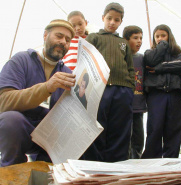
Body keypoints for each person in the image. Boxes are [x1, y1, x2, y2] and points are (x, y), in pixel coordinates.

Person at [0, 19, 76, 167]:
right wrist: (47, 87)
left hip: (50, 134)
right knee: (10, 119)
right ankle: (11, 172)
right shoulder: (20, 60)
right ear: (45, 35)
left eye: (68, 40)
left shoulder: (68, 74)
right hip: (21, 128)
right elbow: (4, 101)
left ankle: (49, 172)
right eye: (59, 36)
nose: (63, 42)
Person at [86, 2, 135, 162]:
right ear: (103, 18)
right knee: (97, 125)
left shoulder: (124, 43)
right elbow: (86, 61)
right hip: (100, 88)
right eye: (109, 18)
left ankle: (117, 164)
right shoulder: (94, 37)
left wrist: (130, 87)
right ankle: (95, 163)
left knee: (120, 128)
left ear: (121, 22)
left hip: (123, 90)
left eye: (116, 20)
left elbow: (130, 67)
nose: (112, 22)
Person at [141, 24, 181, 159]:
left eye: (163, 36)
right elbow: (152, 60)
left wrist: (160, 68)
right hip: (156, 94)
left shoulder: (178, 53)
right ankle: (151, 159)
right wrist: (162, 46)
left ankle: (171, 158)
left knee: (175, 128)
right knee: (155, 127)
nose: (160, 38)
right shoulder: (149, 53)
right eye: (157, 36)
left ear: (169, 36)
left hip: (174, 93)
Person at [123, 25, 147, 159]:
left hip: (139, 105)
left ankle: (137, 160)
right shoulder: (122, 58)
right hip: (125, 105)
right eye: (135, 38)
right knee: (126, 136)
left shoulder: (142, 58)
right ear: (126, 40)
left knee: (138, 137)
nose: (139, 41)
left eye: (141, 38)